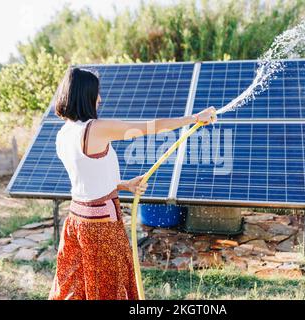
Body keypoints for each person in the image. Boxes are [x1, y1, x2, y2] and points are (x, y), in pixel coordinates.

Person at [48, 67, 217, 300]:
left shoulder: (63, 134)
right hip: (100, 225)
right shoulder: (95, 129)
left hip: (76, 221)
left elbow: (86, 179)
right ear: (84, 95)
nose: (100, 99)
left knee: (78, 289)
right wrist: (194, 118)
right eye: (96, 93)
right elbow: (150, 127)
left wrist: (125, 185)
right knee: (107, 288)